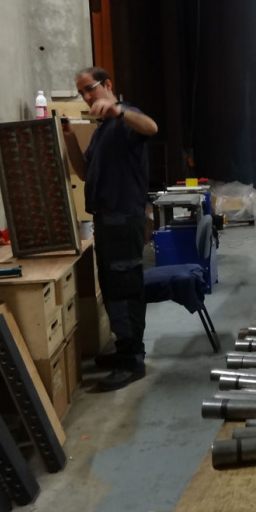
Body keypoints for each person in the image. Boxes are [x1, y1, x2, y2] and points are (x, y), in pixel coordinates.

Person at [63, 67, 159, 392]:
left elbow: (152, 127)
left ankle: (134, 360)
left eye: (90, 89)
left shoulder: (126, 116)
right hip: (105, 220)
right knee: (113, 289)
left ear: (107, 85)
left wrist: (119, 110)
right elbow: (85, 173)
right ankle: (124, 350)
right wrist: (68, 140)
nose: (87, 97)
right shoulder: (104, 130)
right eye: (82, 93)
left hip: (124, 219)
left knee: (126, 289)